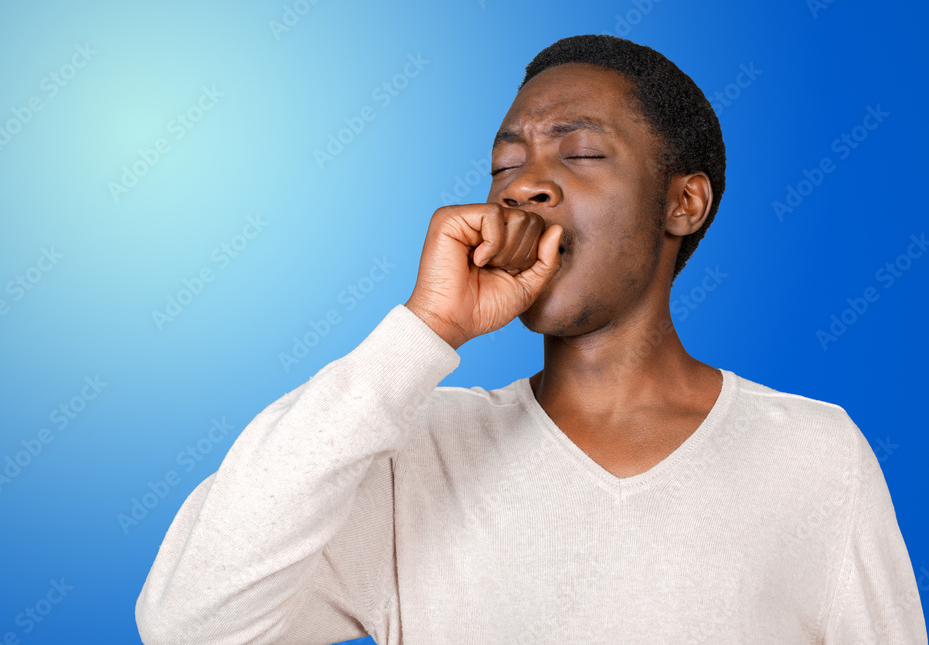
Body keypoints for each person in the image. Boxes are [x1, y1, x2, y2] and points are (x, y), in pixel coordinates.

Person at [134, 34, 927, 644]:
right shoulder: (414, 453)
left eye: (579, 153)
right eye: (503, 166)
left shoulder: (815, 454)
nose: (522, 185)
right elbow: (188, 622)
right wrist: (424, 329)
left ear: (684, 203)